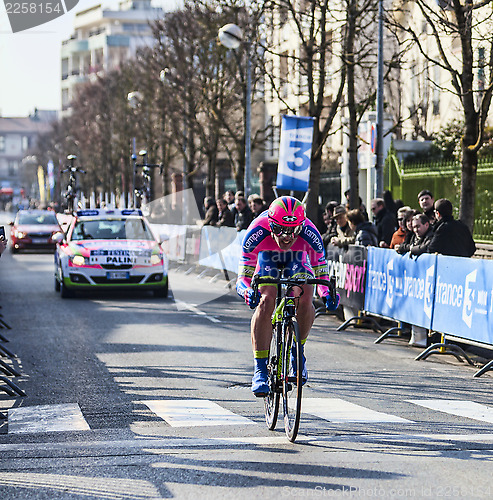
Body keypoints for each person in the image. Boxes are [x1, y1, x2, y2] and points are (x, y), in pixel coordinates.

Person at [236, 196, 340, 395]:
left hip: (298, 257)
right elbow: (243, 279)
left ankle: (297, 351)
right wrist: (248, 292)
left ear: (301, 227)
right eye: (280, 230)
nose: (286, 236)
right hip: (267, 257)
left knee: (306, 292)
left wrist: (327, 293)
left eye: (293, 231)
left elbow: (321, 274)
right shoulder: (256, 231)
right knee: (267, 299)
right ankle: (260, 369)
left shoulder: (311, 233)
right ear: (271, 225)